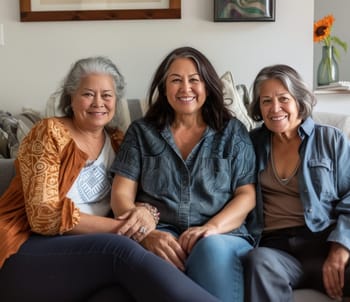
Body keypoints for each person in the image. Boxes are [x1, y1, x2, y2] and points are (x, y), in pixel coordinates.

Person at [0, 56, 220, 302]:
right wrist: (136, 232)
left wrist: (147, 213)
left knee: (118, 296)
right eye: (88, 94)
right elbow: (44, 216)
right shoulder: (49, 133)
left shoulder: (118, 140)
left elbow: (139, 199)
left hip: (89, 260)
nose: (98, 103)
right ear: (71, 98)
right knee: (121, 250)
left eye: (107, 95)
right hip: (25, 251)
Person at [110, 46, 257, 302]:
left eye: (194, 80)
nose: (185, 88)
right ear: (164, 87)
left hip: (222, 234)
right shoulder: (141, 132)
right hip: (160, 231)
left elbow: (246, 194)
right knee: (157, 257)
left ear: (207, 86)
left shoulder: (232, 131)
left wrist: (211, 228)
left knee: (208, 248)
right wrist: (145, 234)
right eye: (175, 80)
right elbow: (121, 194)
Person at [243, 64, 350, 302]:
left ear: (299, 101)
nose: (275, 108)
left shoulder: (331, 139)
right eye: (266, 101)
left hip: (326, 242)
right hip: (277, 250)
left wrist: (341, 247)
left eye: (283, 99)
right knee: (257, 261)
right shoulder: (251, 144)